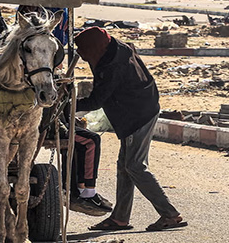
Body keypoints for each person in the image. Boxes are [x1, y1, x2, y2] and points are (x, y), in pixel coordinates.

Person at [74, 27, 186, 232]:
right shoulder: (116, 47)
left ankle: (169, 214)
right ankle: (120, 218)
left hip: (137, 114)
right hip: (142, 106)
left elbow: (96, 100)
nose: (82, 57)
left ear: (94, 48)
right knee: (123, 166)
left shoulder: (111, 66)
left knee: (134, 166)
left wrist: (68, 105)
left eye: (84, 52)